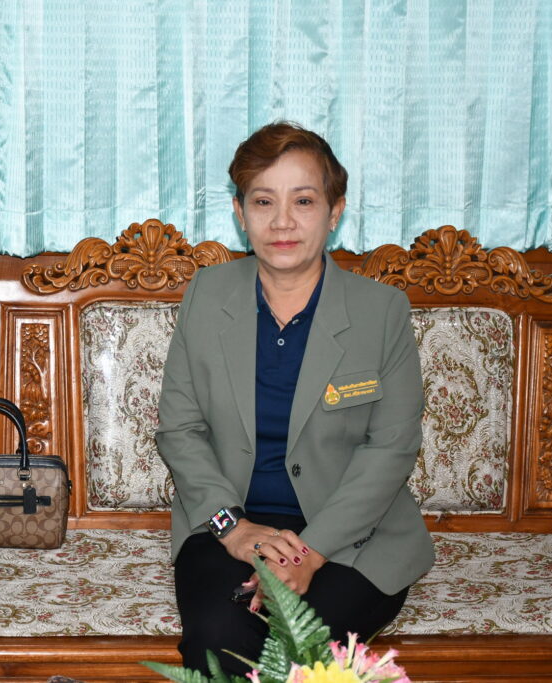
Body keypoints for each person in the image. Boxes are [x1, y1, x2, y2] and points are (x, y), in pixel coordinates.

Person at [155, 122, 433, 675]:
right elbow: (179, 431)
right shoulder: (206, 295)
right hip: (227, 527)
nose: (282, 221)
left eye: (303, 201)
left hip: (353, 537)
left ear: (334, 212)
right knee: (219, 640)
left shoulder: (381, 311)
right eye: (264, 201)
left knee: (291, 648)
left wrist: (310, 552)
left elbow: (391, 449)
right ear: (240, 213)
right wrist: (232, 528)